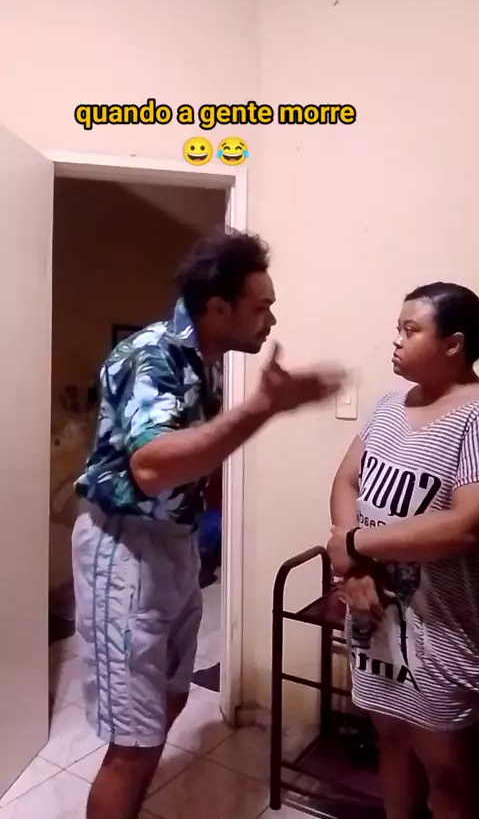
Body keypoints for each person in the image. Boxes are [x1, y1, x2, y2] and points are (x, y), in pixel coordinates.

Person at [72, 228, 346, 819]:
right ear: (218, 308)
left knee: (168, 701)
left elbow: (194, 456)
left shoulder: (205, 362)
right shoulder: (153, 355)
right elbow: (151, 467)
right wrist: (264, 406)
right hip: (126, 547)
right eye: (261, 307)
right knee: (133, 742)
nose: (271, 319)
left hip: (174, 543)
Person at [327, 281, 479, 819]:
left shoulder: (475, 417)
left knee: (448, 773)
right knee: (390, 742)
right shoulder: (389, 406)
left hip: (442, 631)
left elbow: (466, 526)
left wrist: (352, 543)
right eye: (398, 328)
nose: (396, 340)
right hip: (375, 621)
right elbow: (346, 482)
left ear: (454, 344)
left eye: (410, 330)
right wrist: (354, 569)